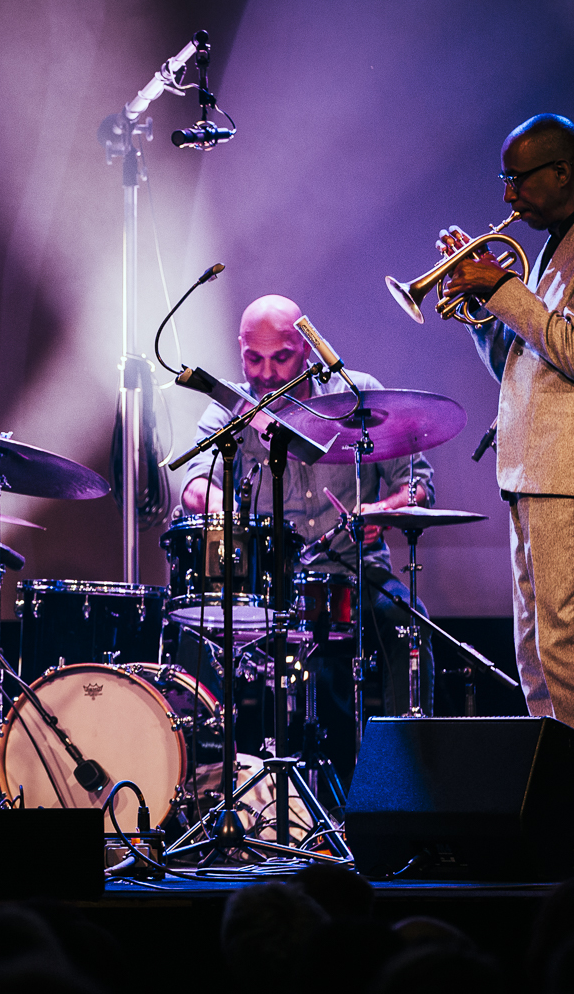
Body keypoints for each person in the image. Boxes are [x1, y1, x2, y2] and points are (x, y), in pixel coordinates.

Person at [442, 113, 574, 758]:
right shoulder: (558, 245)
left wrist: (501, 285)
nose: (508, 195)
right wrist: (481, 308)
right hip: (531, 470)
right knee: (533, 653)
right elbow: (522, 359)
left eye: (518, 180)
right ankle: (562, 804)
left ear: (561, 173)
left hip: (573, 470)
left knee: (566, 647)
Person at [178, 295, 435, 773]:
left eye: (282, 357)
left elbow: (417, 485)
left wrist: (380, 509)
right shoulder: (233, 408)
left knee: (408, 621)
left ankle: (406, 784)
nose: (268, 373)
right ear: (240, 351)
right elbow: (194, 483)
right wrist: (227, 512)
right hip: (270, 582)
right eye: (254, 358)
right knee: (192, 627)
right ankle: (208, 789)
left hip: (355, 574)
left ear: (307, 348)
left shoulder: (359, 397)